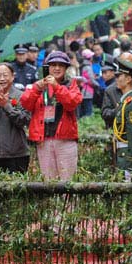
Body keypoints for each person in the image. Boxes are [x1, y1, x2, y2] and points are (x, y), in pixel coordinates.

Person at [20, 50, 82, 180]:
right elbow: (26, 104)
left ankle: (68, 202)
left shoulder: (71, 85)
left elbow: (72, 103)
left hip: (66, 139)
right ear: (48, 68)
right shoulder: (39, 85)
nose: (57, 68)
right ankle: (52, 202)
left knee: (68, 180)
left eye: (61, 65)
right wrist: (37, 88)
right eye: (53, 65)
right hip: (44, 140)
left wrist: (57, 87)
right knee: (49, 181)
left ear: (66, 68)